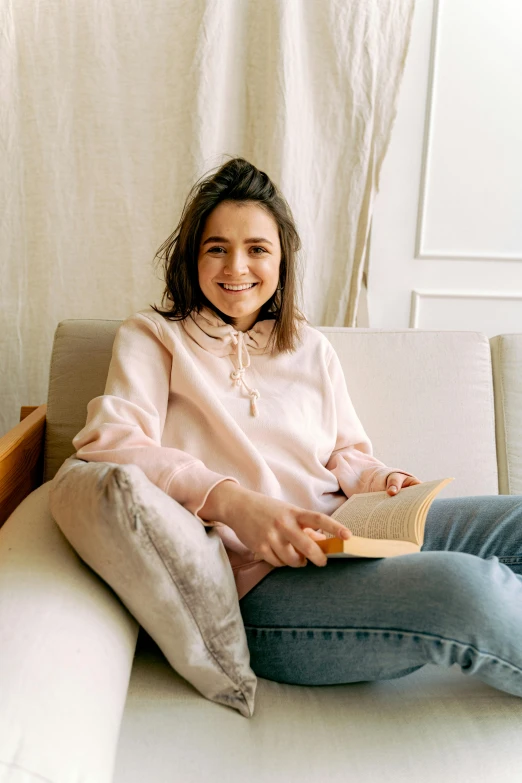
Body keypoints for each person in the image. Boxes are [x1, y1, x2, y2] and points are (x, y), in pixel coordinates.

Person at [72, 156, 522, 697]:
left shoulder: (308, 345)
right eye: (217, 248)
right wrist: (235, 503)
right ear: (191, 257)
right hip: (264, 587)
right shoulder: (153, 339)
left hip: (347, 534)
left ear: (282, 260)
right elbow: (111, 446)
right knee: (469, 591)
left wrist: (383, 481)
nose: (237, 267)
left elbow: (345, 452)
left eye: (257, 249)